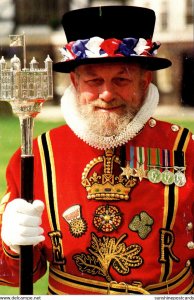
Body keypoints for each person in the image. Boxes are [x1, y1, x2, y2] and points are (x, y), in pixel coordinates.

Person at [0, 5, 194, 295]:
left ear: (144, 81)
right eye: (94, 80)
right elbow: (15, 275)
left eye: (121, 79)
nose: (106, 94)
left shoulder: (186, 148)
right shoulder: (38, 156)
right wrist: (12, 246)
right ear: (75, 82)